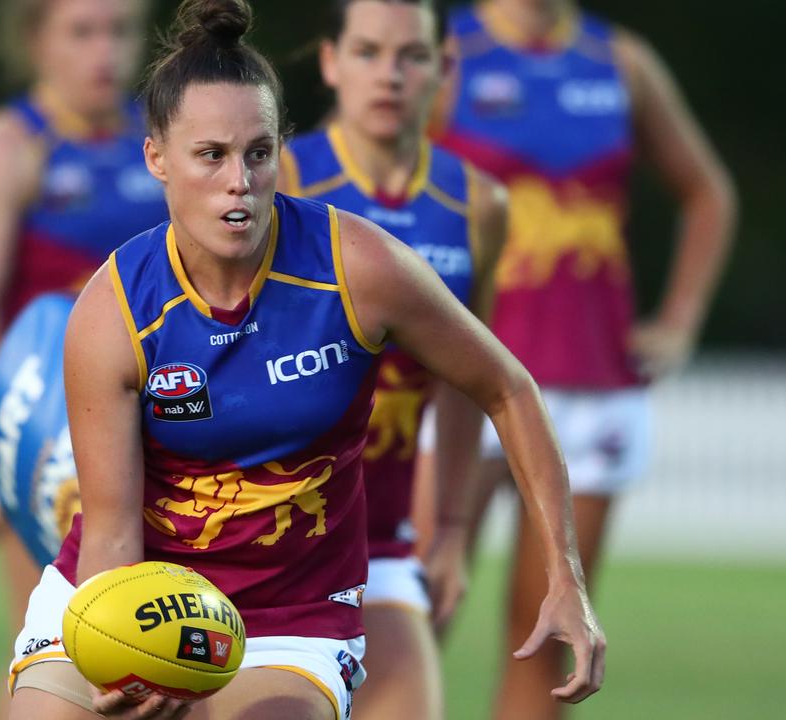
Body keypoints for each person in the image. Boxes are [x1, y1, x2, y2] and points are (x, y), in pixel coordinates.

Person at [7, 1, 605, 719]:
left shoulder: (360, 268)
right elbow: (110, 531)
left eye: (258, 153)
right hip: (131, 590)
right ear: (157, 158)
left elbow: (507, 387)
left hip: (288, 616)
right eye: (211, 156)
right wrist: (137, 657)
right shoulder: (113, 311)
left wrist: (563, 575)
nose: (240, 181)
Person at [427, 1, 737, 718]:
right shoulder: (442, 57)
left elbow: (708, 191)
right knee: (416, 618)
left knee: (546, 637)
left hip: (593, 385)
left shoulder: (620, 61)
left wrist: (681, 320)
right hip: (467, 383)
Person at [279, 1, 506, 717]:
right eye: (368, 52)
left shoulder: (478, 203)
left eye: (412, 56)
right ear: (329, 61)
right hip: (269, 534)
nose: (390, 75)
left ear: (445, 68)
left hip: (382, 542)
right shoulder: (279, 180)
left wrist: (451, 532)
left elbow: (473, 382)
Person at [0, 0, 168, 661]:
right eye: (82, 32)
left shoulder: (157, 140)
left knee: (155, 644)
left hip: (156, 421)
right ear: (36, 39)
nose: (105, 51)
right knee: (55, 642)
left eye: (120, 31)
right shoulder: (9, 147)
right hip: (49, 425)